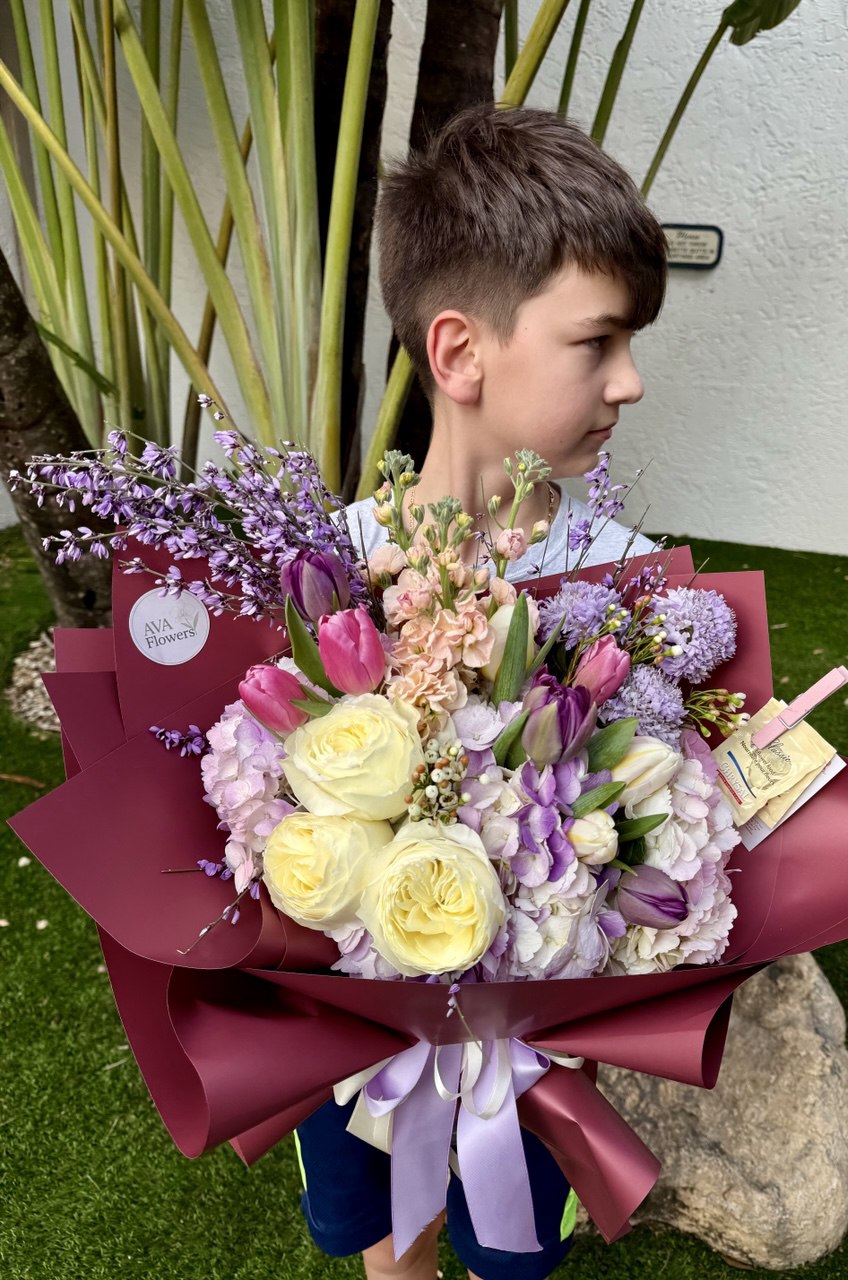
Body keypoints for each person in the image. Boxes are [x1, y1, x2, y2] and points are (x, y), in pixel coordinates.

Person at [297, 103, 668, 1280]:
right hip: (359, 1042)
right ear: (460, 352)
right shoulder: (328, 575)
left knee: (513, 1246)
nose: (632, 380)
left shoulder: (622, 586)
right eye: (597, 342)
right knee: (382, 1229)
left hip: (536, 1047)